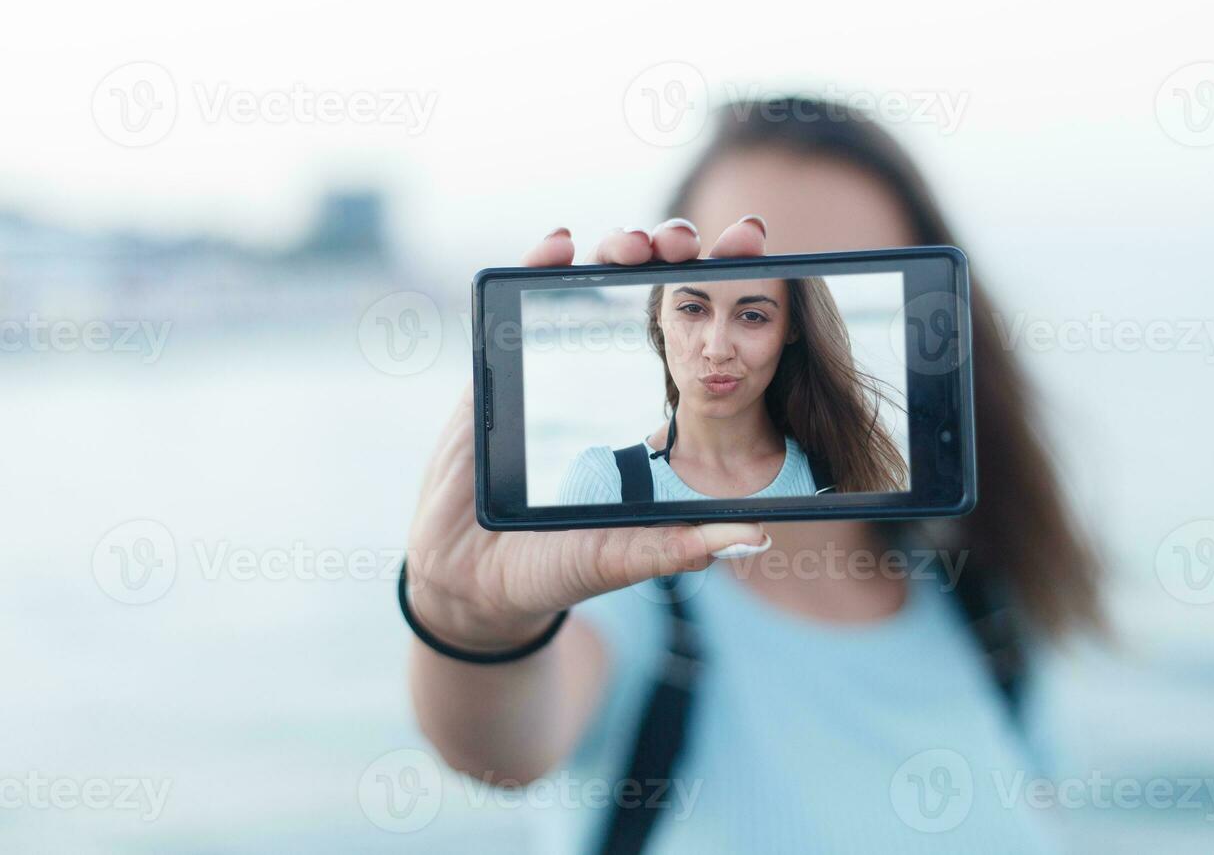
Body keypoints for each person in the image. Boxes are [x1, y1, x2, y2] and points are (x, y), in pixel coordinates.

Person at [404, 98, 1102, 853]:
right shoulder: (617, 532)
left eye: (761, 307)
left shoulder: (978, 601)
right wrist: (473, 626)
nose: (719, 344)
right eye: (699, 301)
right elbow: (504, 749)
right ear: (659, 312)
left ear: (804, 327)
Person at [554, 275, 908, 506]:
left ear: (793, 329)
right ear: (658, 318)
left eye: (752, 316)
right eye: (692, 309)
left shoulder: (844, 473)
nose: (718, 349)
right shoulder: (605, 484)